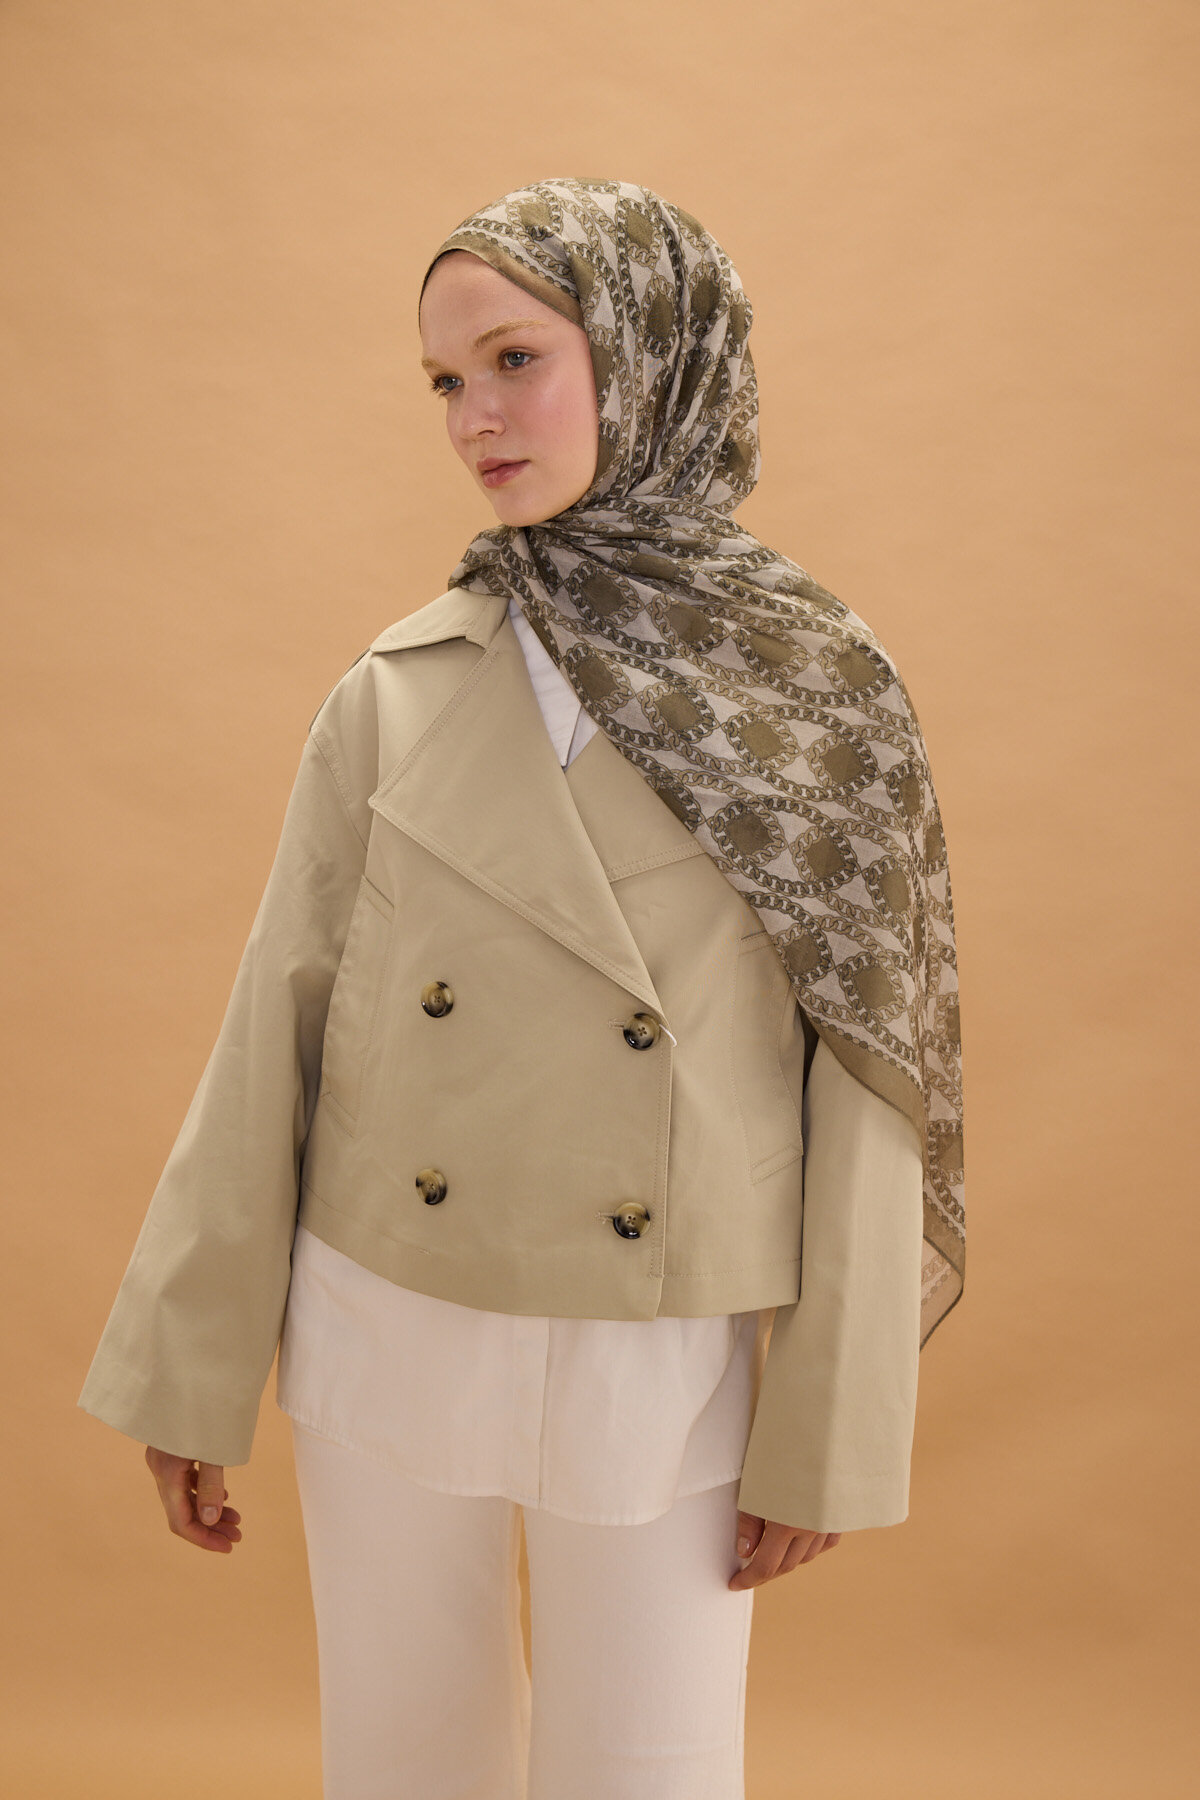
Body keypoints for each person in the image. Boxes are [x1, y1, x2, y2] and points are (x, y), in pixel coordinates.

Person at [79, 177, 965, 1800]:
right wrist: (190, 1369)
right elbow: (275, 1028)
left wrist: (831, 1421)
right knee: (405, 1758)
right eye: (443, 379)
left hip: (660, 1339)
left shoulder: (819, 698)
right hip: (384, 1307)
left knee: (648, 1767)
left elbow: (869, 1080)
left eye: (515, 359)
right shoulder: (396, 688)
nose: (474, 417)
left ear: (650, 351)